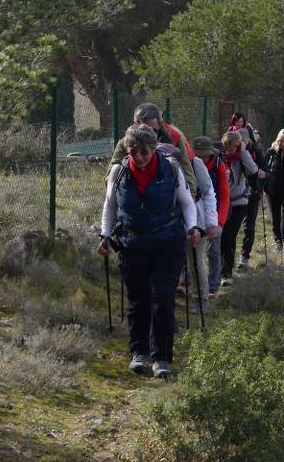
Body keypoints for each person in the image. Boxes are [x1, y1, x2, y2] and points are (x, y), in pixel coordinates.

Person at [98, 124, 200, 379]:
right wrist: (105, 235)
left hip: (168, 242)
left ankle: (162, 357)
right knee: (139, 297)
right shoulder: (118, 172)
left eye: (144, 151)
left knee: (162, 296)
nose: (140, 157)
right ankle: (139, 352)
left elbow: (187, 203)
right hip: (133, 244)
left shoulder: (171, 169)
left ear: (153, 148)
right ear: (127, 150)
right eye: (134, 152)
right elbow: (110, 206)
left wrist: (193, 227)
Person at [110, 102, 197, 199]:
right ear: (135, 125)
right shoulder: (125, 143)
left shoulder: (175, 139)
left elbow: (188, 174)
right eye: (144, 131)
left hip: (167, 198)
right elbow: (110, 176)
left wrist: (189, 201)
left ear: (160, 125)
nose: (149, 135)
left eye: (153, 130)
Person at [227, 113, 267, 270]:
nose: (243, 142)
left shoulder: (257, 152)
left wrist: (263, 175)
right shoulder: (230, 154)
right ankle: (229, 260)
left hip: (254, 193)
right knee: (232, 229)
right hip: (236, 195)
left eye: (245, 139)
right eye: (240, 140)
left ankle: (244, 257)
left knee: (249, 226)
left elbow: (267, 171)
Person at [192, 136, 230, 299]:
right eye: (198, 155)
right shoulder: (189, 164)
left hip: (214, 212)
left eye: (204, 155)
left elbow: (224, 195)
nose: (202, 158)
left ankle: (213, 287)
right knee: (190, 251)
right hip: (193, 212)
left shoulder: (218, 165)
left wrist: (219, 223)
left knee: (214, 252)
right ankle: (185, 282)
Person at [220, 131, 258, 284]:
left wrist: (243, 151)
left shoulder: (242, 157)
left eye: (232, 149)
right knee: (223, 237)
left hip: (239, 203)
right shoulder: (220, 157)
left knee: (230, 235)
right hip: (222, 203)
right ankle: (222, 270)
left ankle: (226, 273)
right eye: (227, 149)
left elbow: (253, 170)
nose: (229, 152)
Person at [184, 152, 219, 314]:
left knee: (196, 259)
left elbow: (209, 193)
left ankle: (201, 297)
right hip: (175, 219)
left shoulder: (195, 163)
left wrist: (211, 223)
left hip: (198, 220)